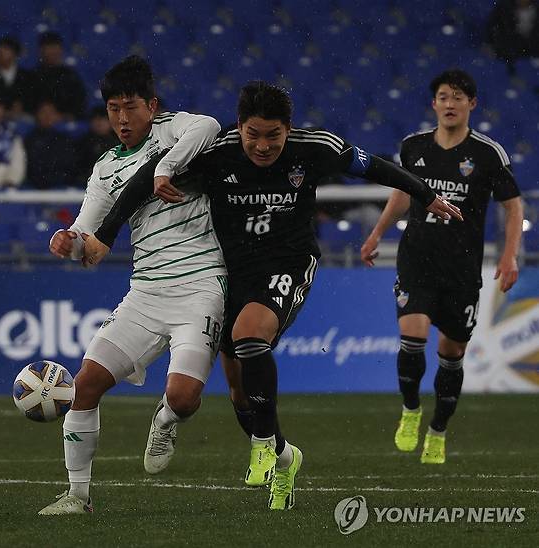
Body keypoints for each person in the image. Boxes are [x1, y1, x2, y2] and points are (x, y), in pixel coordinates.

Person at [85, 81, 462, 510]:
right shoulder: (215, 152)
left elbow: (376, 167)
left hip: (289, 262)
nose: (262, 146)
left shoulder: (316, 148)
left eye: (273, 136)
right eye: (253, 134)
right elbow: (140, 182)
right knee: (239, 393)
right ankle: (284, 459)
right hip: (233, 272)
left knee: (250, 335)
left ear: (289, 129)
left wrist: (427, 196)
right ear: (239, 126)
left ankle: (263, 443)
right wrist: (104, 235)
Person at [38, 56, 223, 515]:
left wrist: (163, 169)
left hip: (202, 285)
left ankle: (165, 418)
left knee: (182, 397)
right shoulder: (104, 170)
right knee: (84, 385)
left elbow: (212, 126)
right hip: (146, 293)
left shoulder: (175, 130)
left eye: (130, 107)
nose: (121, 118)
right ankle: (77, 497)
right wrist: (69, 243)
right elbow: (88, 235)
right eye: (112, 109)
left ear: (152, 105)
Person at [360, 69, 523, 464]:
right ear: (434, 104)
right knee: (412, 337)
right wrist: (377, 233)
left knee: (451, 354)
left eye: (459, 97)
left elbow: (513, 206)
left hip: (462, 269)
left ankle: (438, 430)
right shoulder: (413, 147)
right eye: (444, 97)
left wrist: (509, 253)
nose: (451, 104)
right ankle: (411, 409)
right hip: (417, 258)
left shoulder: (488, 154)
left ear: (472, 104)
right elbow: (403, 192)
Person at [32, 32, 87, 119]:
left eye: (55, 47)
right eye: (48, 47)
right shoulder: (32, 75)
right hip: (36, 122)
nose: (52, 51)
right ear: (41, 50)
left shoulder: (71, 76)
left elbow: (80, 105)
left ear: (61, 50)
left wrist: (61, 116)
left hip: (63, 122)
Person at [23, 101, 76, 189]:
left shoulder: (64, 140)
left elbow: (67, 166)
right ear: (37, 115)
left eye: (51, 112)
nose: (47, 116)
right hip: (33, 187)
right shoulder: (29, 139)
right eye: (43, 112)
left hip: (59, 187)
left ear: (56, 116)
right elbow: (29, 166)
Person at [74, 106, 119, 184]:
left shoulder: (120, 141)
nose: (99, 123)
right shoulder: (83, 143)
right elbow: (78, 167)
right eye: (96, 119)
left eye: (103, 119)